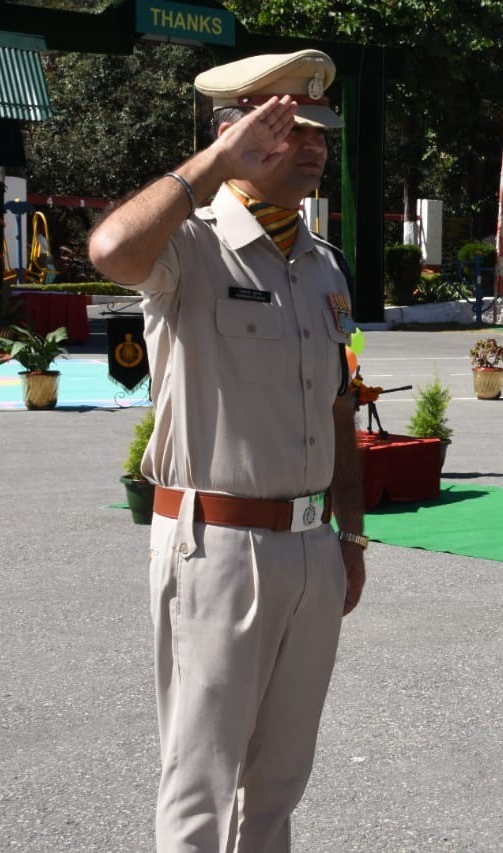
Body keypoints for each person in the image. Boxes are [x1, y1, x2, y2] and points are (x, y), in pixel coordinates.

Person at [88, 49, 368, 852]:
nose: (314, 146)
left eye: (320, 131)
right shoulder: (193, 249)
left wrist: (349, 536)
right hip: (217, 543)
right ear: (237, 133)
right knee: (201, 780)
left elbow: (339, 403)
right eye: (289, 131)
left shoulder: (322, 266)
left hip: (312, 548)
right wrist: (211, 166)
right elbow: (111, 251)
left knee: (278, 784)